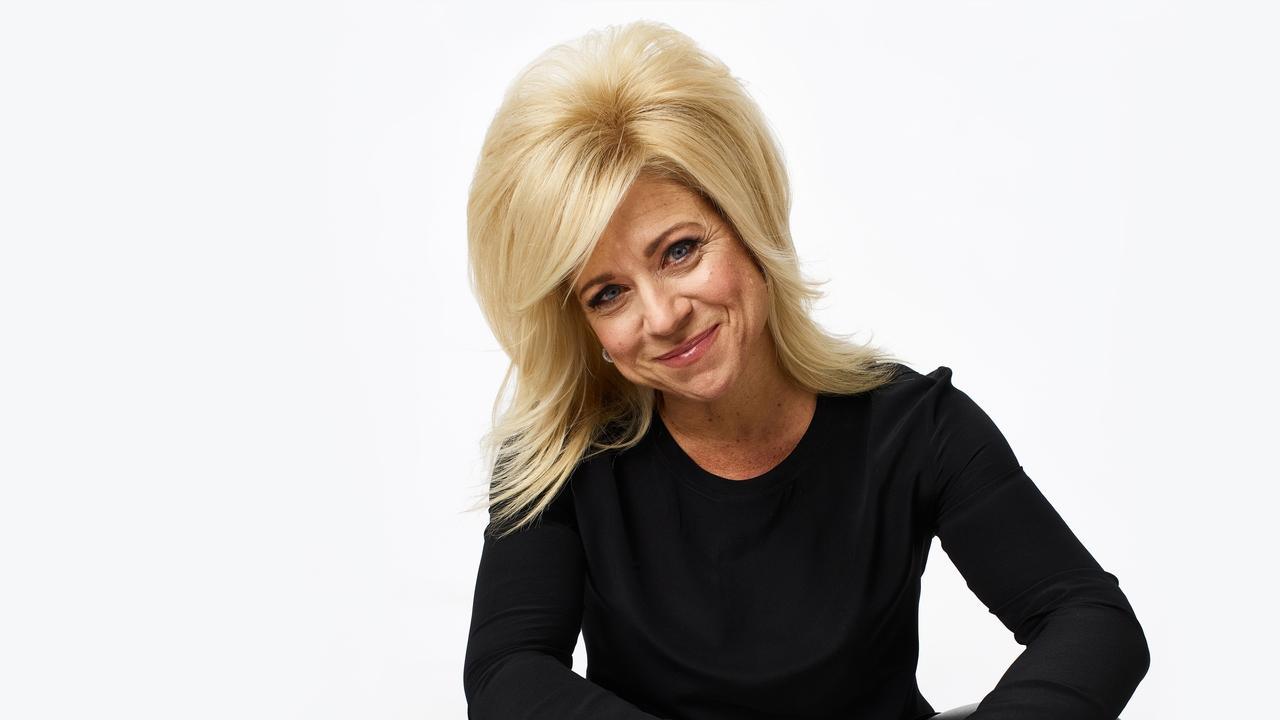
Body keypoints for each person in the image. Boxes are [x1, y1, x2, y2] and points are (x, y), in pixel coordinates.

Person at [461, 20, 1149, 720]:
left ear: (750, 221)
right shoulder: (563, 459)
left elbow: (1091, 621)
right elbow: (506, 673)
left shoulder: (914, 428)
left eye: (680, 251)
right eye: (608, 294)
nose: (662, 317)